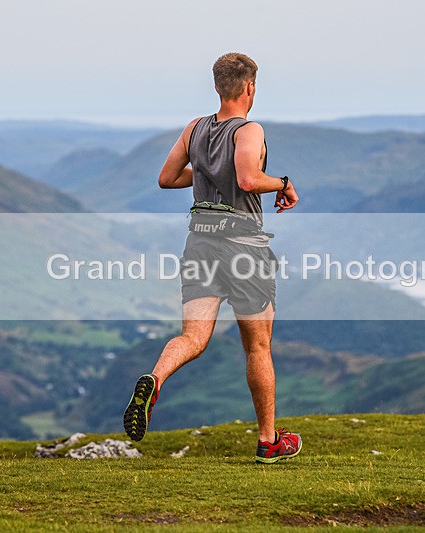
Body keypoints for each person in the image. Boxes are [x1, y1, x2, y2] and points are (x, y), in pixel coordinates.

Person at [123, 52, 301, 464]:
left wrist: (205, 175)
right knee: (257, 347)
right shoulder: (250, 130)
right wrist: (284, 183)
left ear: (218, 86)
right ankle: (268, 441)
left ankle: (155, 377)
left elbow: (167, 178)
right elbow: (247, 180)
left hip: (200, 241)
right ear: (250, 87)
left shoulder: (195, 128)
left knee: (193, 337)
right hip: (243, 245)